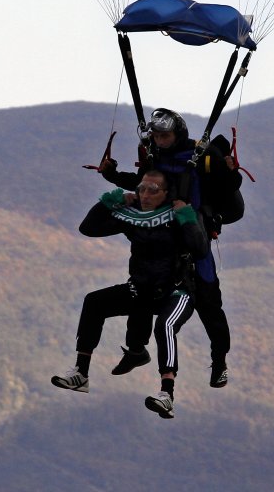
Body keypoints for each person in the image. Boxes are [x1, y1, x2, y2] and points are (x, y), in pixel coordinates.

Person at [99, 108, 242, 388]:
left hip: (193, 231)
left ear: (177, 134)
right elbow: (144, 184)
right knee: (142, 286)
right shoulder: (156, 156)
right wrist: (112, 176)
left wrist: (229, 170)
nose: (160, 140)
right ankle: (136, 349)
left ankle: (220, 361)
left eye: (165, 135)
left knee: (209, 301)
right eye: (157, 135)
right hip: (164, 237)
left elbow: (228, 185)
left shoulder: (203, 156)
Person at [51, 170, 209, 418]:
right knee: (94, 302)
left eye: (153, 190)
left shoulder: (179, 215)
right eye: (142, 189)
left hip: (177, 291)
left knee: (165, 325)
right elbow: (88, 228)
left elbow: (200, 249)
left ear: (167, 194)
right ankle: (81, 373)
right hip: (143, 288)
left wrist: (186, 217)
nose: (145, 195)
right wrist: (108, 203)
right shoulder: (133, 218)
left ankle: (167, 393)